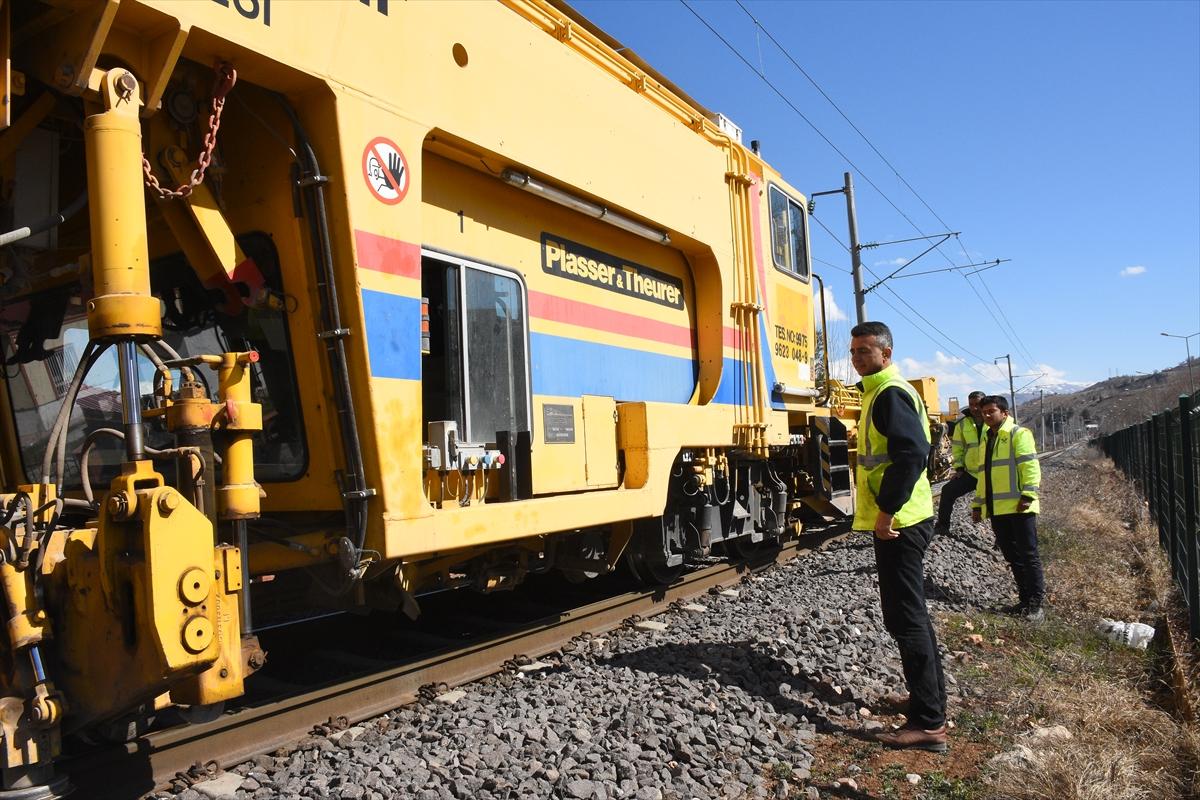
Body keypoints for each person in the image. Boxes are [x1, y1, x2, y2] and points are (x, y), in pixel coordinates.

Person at [849, 321, 948, 752]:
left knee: (906, 618)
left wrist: (887, 511)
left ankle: (929, 723)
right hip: (903, 518)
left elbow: (911, 455)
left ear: (885, 354)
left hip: (900, 522)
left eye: (865, 351)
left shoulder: (890, 393)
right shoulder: (880, 391)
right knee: (909, 616)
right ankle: (927, 701)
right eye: (854, 351)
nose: (857, 358)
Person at [971, 395, 1045, 621]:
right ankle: (1024, 601)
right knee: (1013, 557)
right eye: (984, 412)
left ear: (1004, 413)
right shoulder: (987, 438)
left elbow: (1029, 466)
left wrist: (1028, 494)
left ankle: (1036, 605)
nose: (986, 415)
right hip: (998, 509)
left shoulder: (1018, 434)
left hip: (1020, 507)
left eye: (991, 411)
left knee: (1029, 555)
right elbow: (984, 476)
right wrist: (978, 505)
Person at [934, 391, 987, 537]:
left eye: (978, 404)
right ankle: (942, 526)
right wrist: (959, 468)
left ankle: (1002, 541)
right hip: (972, 473)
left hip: (991, 473)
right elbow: (958, 448)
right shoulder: (963, 424)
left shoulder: (993, 421)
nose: (974, 408)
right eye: (971, 404)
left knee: (996, 505)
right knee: (947, 491)